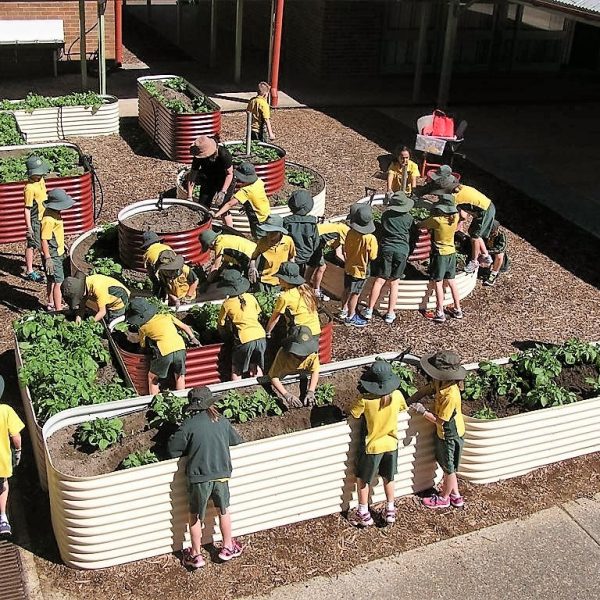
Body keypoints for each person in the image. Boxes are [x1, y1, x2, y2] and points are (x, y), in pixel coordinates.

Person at [168, 386, 243, 568]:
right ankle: (227, 546)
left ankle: (196, 555)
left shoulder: (188, 425)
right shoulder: (221, 420)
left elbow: (172, 449)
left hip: (199, 477)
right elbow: (237, 440)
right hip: (222, 474)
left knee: (194, 514)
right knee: (223, 509)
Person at [348, 361, 407, 527]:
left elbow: (352, 413)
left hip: (372, 447)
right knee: (389, 477)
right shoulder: (398, 396)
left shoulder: (365, 401)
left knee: (363, 479)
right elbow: (403, 408)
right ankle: (390, 509)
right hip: (391, 445)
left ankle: (363, 513)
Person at [408, 350, 467, 509]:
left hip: (450, 434)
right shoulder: (441, 383)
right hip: (446, 432)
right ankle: (456, 496)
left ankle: (444, 498)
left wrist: (423, 411)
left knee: (449, 469)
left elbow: (441, 421)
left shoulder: (451, 395)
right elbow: (424, 391)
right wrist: (408, 401)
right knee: (448, 466)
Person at [125, 297, 201, 395]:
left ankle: (154, 399)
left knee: (153, 377)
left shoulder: (143, 328)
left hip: (164, 351)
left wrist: (142, 350)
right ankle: (181, 398)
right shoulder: (167, 316)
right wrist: (193, 338)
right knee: (179, 375)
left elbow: (142, 345)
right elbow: (185, 327)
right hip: (180, 347)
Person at [364, 191, 414, 325]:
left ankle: (369, 310)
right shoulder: (409, 218)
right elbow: (412, 232)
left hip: (387, 249)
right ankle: (390, 313)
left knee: (380, 279)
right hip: (402, 250)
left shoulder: (386, 215)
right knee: (394, 282)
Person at [417, 195, 462, 323]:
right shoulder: (455, 217)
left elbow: (421, 224)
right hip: (451, 253)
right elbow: (462, 215)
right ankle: (458, 308)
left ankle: (439, 311)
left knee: (438, 282)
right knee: (452, 281)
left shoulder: (437, 220)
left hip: (440, 254)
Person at [217, 269, 267, 380]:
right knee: (256, 366)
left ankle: (235, 392)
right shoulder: (251, 297)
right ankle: (262, 390)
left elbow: (221, 325)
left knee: (236, 368)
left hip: (244, 339)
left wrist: (225, 337)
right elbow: (258, 314)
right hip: (260, 336)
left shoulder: (227, 304)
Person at [340, 204, 378, 328]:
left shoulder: (350, 232)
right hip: (361, 270)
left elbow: (345, 248)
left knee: (346, 290)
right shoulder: (370, 238)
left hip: (348, 267)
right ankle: (351, 316)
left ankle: (343, 310)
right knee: (355, 294)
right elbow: (373, 256)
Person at [265, 262, 320, 344]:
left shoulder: (285, 297)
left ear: (285, 280)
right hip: (315, 331)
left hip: (300, 334)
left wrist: (267, 332)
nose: (278, 280)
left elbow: (275, 318)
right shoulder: (306, 290)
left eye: (280, 278)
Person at [213, 162, 271, 238]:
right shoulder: (258, 182)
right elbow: (257, 196)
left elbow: (230, 204)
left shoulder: (245, 190)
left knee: (258, 235)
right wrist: (246, 206)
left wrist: (216, 214)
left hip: (257, 217)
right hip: (266, 212)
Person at [268, 325, 320, 408]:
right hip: (285, 373)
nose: (303, 357)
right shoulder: (283, 354)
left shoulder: (312, 354)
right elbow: (273, 376)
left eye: (306, 354)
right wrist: (287, 395)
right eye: (300, 354)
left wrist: (311, 391)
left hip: (302, 373)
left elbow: (315, 371)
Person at [449, 182, 496, 273]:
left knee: (475, 237)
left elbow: (461, 216)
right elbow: (463, 217)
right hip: (487, 206)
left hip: (485, 211)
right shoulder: (462, 188)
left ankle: (474, 261)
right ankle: (486, 255)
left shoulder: (455, 198)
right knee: (473, 233)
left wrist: (453, 228)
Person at [41, 189, 75, 312]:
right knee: (58, 282)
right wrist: (48, 258)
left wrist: (63, 244)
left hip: (57, 250)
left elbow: (55, 234)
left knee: (51, 279)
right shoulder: (48, 219)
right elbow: (44, 239)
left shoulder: (54, 213)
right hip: (53, 255)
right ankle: (58, 308)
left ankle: (50, 303)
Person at [0, 375, 25, 536]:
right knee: (2, 485)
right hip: (1, 461)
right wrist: (18, 451)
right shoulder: (5, 411)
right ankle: (2, 519)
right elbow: (16, 437)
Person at [248, 215, 296, 291]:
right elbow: (253, 258)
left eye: (273, 233)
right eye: (268, 232)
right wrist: (252, 267)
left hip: (281, 281)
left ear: (280, 232)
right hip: (264, 280)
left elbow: (291, 258)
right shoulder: (262, 242)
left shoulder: (288, 241)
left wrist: (292, 277)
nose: (270, 236)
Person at [187, 136, 235, 210]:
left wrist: (223, 191)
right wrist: (189, 196)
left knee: (223, 207)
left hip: (224, 179)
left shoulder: (224, 154)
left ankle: (227, 221)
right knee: (203, 205)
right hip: (208, 178)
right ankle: (205, 220)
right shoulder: (198, 156)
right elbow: (193, 175)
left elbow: (229, 174)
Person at [305, 221, 350, 301]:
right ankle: (315, 290)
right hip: (315, 240)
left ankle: (306, 284)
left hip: (313, 237)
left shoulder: (339, 229)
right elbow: (343, 253)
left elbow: (338, 253)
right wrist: (350, 265)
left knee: (314, 265)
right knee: (322, 267)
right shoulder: (346, 230)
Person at [61, 272, 130, 323]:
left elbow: (102, 312)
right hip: (106, 297)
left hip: (119, 298)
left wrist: (90, 324)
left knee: (113, 321)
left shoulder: (98, 289)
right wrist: (78, 319)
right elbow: (81, 305)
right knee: (103, 315)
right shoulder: (85, 284)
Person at [23, 155, 49, 283]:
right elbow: (27, 209)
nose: (40, 175)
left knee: (44, 241)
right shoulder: (29, 188)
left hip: (44, 216)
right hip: (35, 219)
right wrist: (29, 227)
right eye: (37, 173)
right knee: (32, 244)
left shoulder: (41, 180)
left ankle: (45, 263)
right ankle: (29, 271)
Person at [283, 190, 319, 275]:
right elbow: (316, 242)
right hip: (306, 256)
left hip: (290, 257)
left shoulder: (286, 222)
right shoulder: (312, 223)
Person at [482, 220, 509, 287]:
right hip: (486, 250)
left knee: (500, 255)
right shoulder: (485, 232)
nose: (490, 233)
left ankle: (493, 274)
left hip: (493, 252)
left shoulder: (502, 235)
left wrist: (487, 252)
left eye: (492, 231)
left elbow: (501, 248)